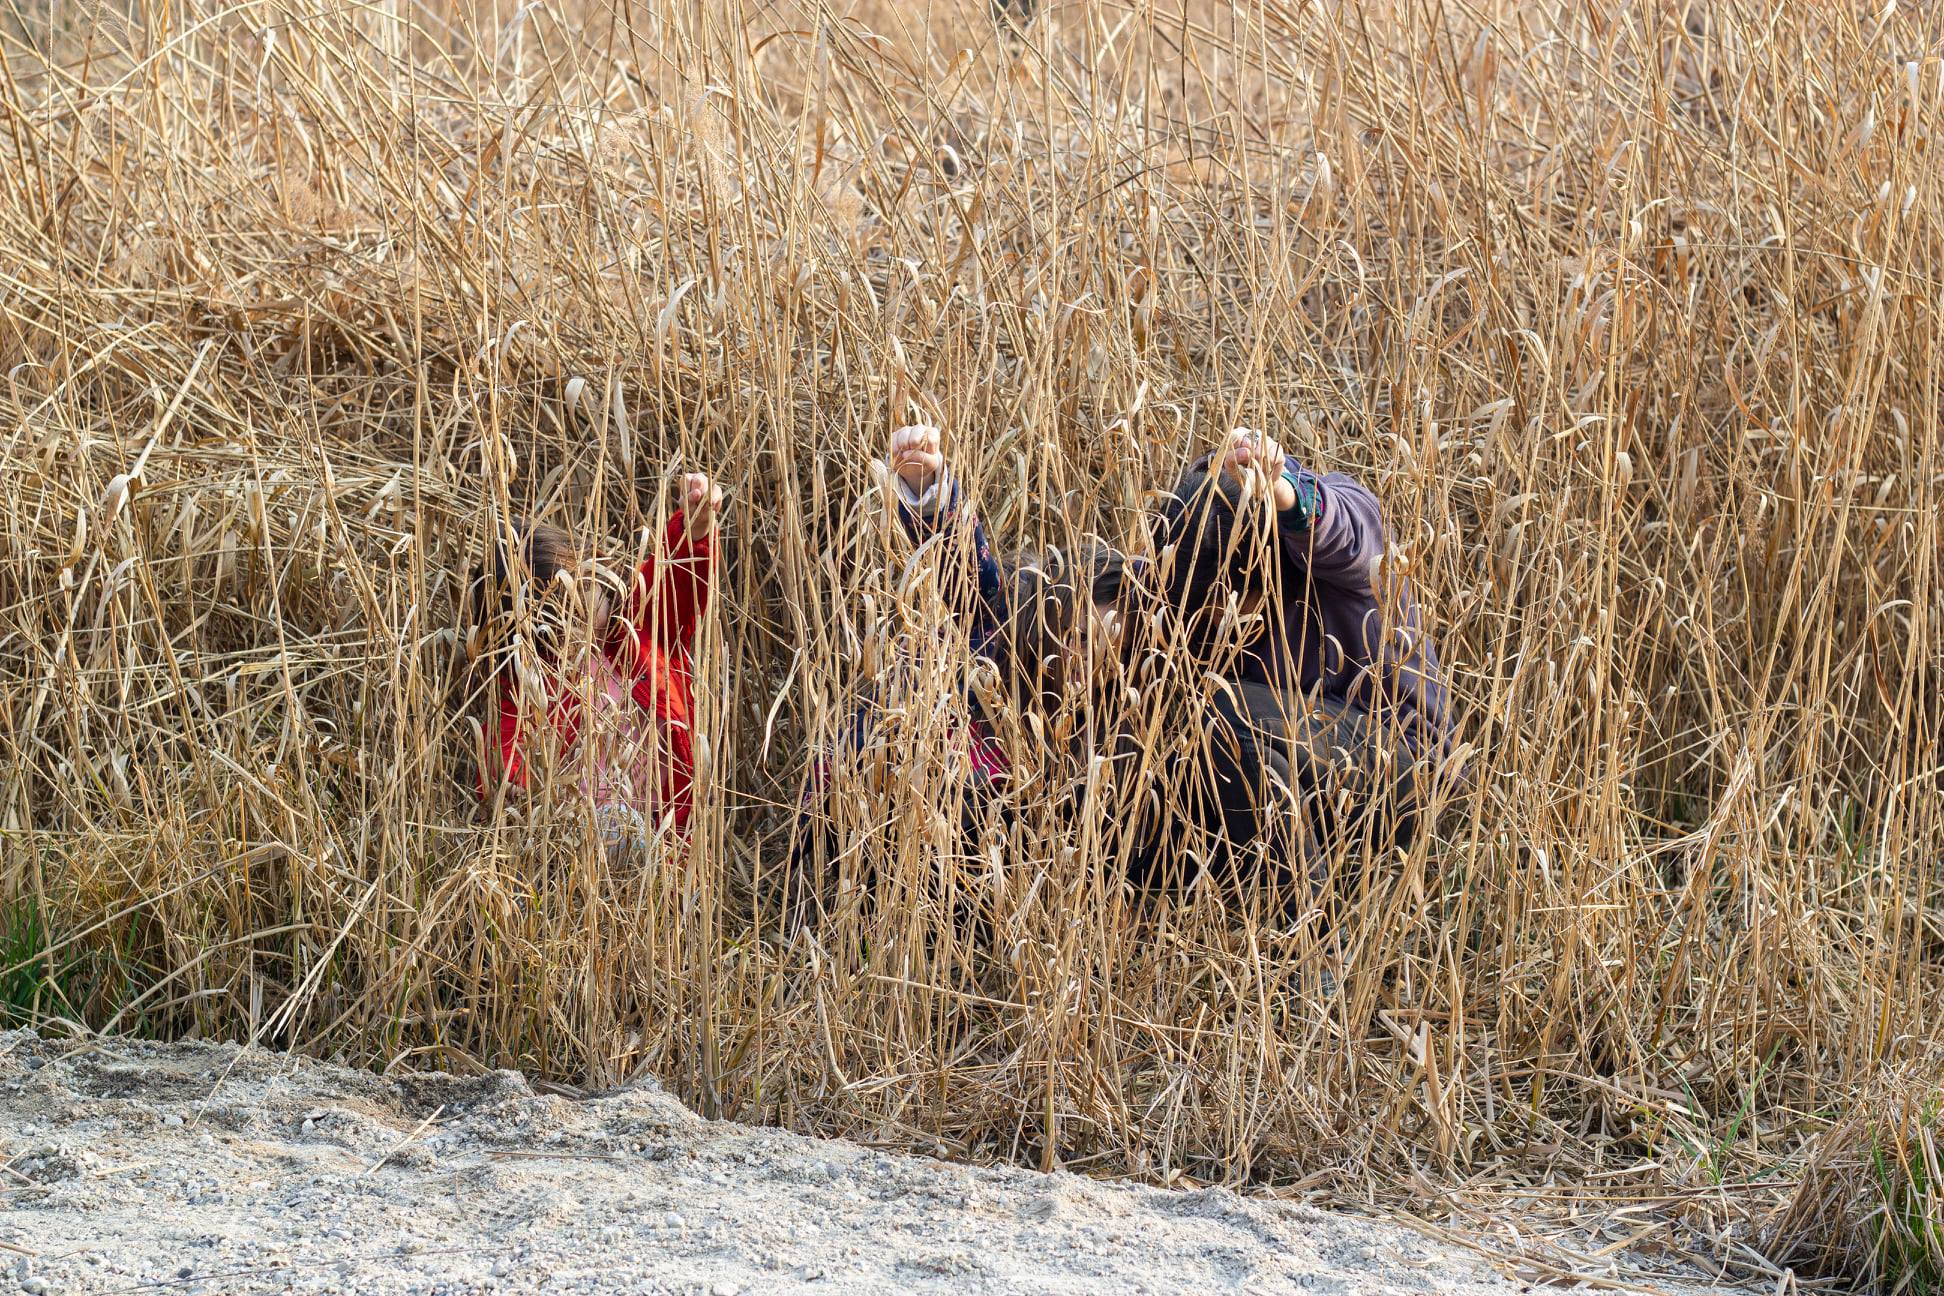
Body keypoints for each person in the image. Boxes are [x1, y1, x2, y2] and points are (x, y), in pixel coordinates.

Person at [1141, 425, 1455, 899]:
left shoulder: (1339, 543)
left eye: (1237, 600)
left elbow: (1343, 528)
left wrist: (1285, 492)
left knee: (1218, 712)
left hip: (1403, 761)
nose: (1226, 618)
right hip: (1297, 765)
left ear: (1264, 568)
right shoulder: (1190, 566)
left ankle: (1314, 951)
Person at [468, 472, 722, 847]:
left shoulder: (634, 625)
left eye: (582, 583)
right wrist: (514, 787)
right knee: (616, 830)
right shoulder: (533, 691)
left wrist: (695, 527)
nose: (582, 607)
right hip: (594, 846)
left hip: (673, 829)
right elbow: (504, 751)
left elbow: (675, 576)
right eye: (560, 607)